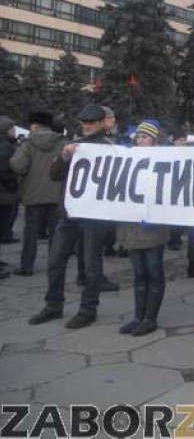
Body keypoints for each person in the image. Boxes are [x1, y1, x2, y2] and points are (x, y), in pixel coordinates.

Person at [28, 104, 114, 329]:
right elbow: (54, 175)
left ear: (101, 123)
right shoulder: (74, 146)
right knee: (55, 261)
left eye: (91, 123)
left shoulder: (108, 148)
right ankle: (53, 305)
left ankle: (88, 309)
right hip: (70, 214)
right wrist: (64, 157)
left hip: (94, 217)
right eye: (84, 123)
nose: (87, 126)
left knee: (92, 266)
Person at [117, 120, 169, 336]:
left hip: (153, 228)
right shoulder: (128, 158)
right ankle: (138, 316)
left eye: (145, 137)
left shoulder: (165, 159)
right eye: (138, 137)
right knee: (139, 274)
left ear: (154, 139)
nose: (140, 140)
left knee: (153, 272)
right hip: (131, 228)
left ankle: (150, 318)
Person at [10, 111, 66, 276]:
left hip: (33, 195)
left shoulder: (28, 144)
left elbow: (18, 165)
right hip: (57, 194)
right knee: (56, 233)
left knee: (31, 232)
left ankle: (27, 267)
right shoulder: (62, 142)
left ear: (34, 125)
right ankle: (55, 267)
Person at [0, 117, 17, 279]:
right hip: (3, 193)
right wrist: (13, 185)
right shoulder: (5, 145)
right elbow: (4, 169)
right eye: (12, 128)